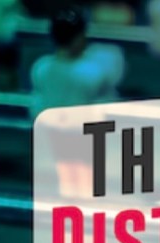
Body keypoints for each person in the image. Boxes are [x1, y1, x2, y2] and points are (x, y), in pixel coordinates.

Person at [28, 10, 128, 197]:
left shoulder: (41, 67)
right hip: (82, 136)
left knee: (69, 177)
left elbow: (36, 107)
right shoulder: (93, 71)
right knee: (81, 180)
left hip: (59, 135)